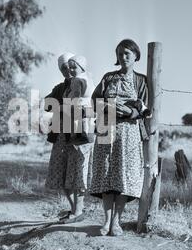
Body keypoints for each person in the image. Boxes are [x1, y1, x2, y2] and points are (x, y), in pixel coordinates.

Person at [89, 39, 150, 236]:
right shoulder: (108, 77)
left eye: (127, 54)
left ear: (136, 56)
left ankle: (117, 222)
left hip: (129, 132)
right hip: (106, 128)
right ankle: (106, 222)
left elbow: (145, 108)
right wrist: (108, 107)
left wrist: (130, 111)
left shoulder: (141, 80)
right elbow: (95, 100)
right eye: (120, 54)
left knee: (123, 176)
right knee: (106, 175)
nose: (123, 58)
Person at [45, 53, 93, 223]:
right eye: (64, 68)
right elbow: (46, 104)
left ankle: (78, 210)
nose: (68, 70)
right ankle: (74, 209)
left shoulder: (83, 83)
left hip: (78, 133)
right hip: (61, 134)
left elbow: (90, 107)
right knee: (61, 171)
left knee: (77, 170)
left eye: (71, 67)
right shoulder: (61, 87)